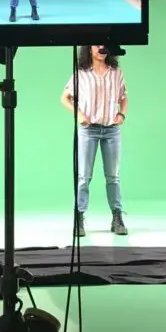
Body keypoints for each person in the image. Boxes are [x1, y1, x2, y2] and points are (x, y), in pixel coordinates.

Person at [60, 45, 128, 237]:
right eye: (96, 45)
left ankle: (117, 217)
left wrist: (121, 114)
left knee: (113, 176)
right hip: (88, 130)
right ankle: (79, 217)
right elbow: (64, 98)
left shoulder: (116, 73)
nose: (101, 48)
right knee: (84, 177)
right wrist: (79, 113)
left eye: (103, 45)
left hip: (111, 130)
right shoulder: (80, 74)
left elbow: (124, 97)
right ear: (88, 49)